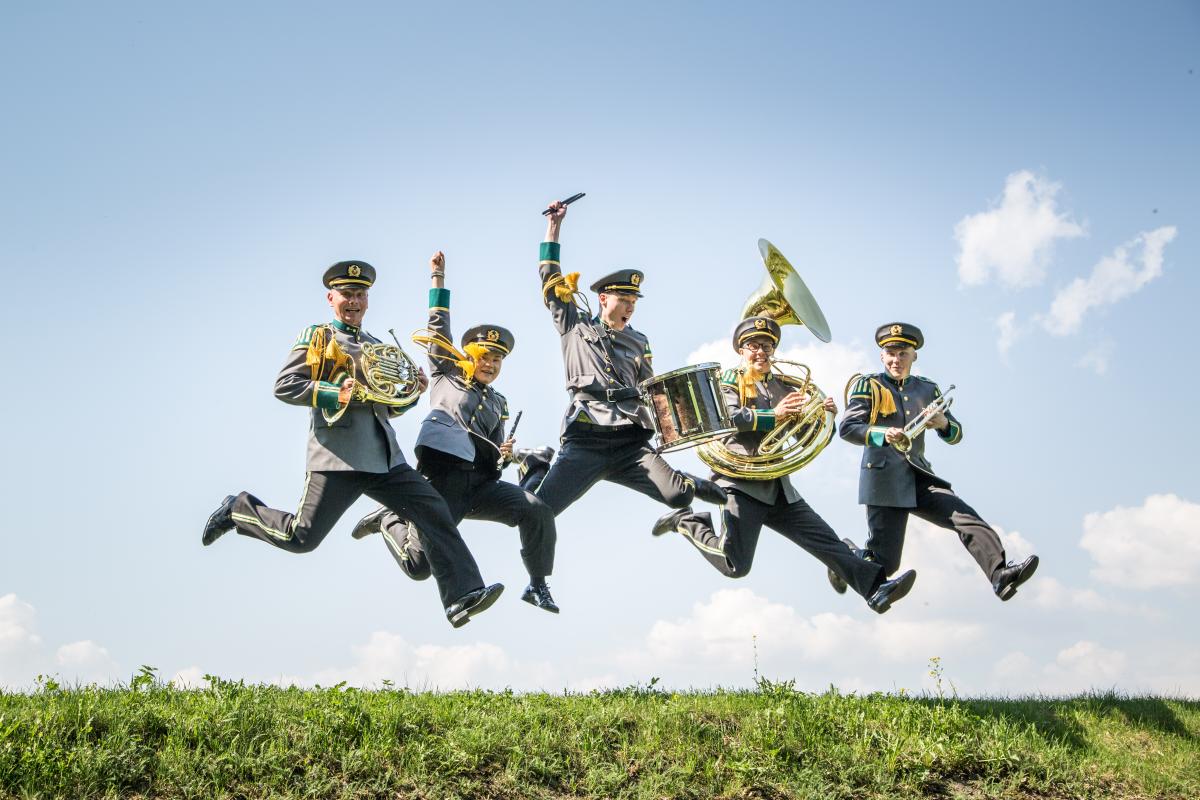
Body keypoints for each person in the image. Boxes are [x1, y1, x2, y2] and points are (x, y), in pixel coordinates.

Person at [201, 260, 504, 628]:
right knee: (302, 538)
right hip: (338, 459)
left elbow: (387, 405)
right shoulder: (318, 338)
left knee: (434, 511)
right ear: (332, 298)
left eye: (360, 295)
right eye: (347, 294)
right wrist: (333, 392)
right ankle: (238, 509)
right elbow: (285, 385)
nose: (354, 301)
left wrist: (411, 393)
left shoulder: (376, 345)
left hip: (386, 459)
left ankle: (461, 596)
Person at [650, 317, 917, 614]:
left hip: (779, 486)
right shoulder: (728, 380)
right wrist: (774, 414)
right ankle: (687, 521)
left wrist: (823, 418)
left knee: (825, 541)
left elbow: (804, 438)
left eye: (767, 345)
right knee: (735, 565)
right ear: (741, 349)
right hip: (740, 484)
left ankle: (875, 588)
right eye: (753, 346)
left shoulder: (783, 386)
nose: (761, 352)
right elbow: (728, 420)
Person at [350, 252, 560, 613]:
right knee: (419, 565)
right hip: (442, 476)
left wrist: (505, 452)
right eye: (484, 356)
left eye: (497, 360)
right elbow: (437, 328)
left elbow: (494, 449)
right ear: (468, 355)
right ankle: (389, 518)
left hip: (480, 485)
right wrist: (438, 279)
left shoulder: (498, 401)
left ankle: (538, 584)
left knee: (536, 511)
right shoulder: (446, 373)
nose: (491, 364)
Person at [527, 200, 727, 520]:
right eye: (624, 299)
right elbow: (550, 280)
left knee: (679, 496)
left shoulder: (639, 341)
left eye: (634, 301)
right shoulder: (575, 324)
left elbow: (650, 389)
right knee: (538, 512)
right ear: (604, 298)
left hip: (629, 441)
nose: (630, 306)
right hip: (586, 437)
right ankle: (535, 464)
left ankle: (690, 483)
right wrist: (554, 226)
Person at [835, 322, 1038, 600]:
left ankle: (999, 575)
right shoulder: (868, 385)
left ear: (914, 355)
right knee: (885, 563)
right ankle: (844, 556)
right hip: (883, 479)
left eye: (903, 353)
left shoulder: (928, 389)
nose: (896, 359)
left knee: (966, 518)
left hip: (919, 476)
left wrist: (943, 423)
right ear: (882, 356)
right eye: (890, 353)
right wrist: (883, 434)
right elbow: (847, 428)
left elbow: (956, 435)